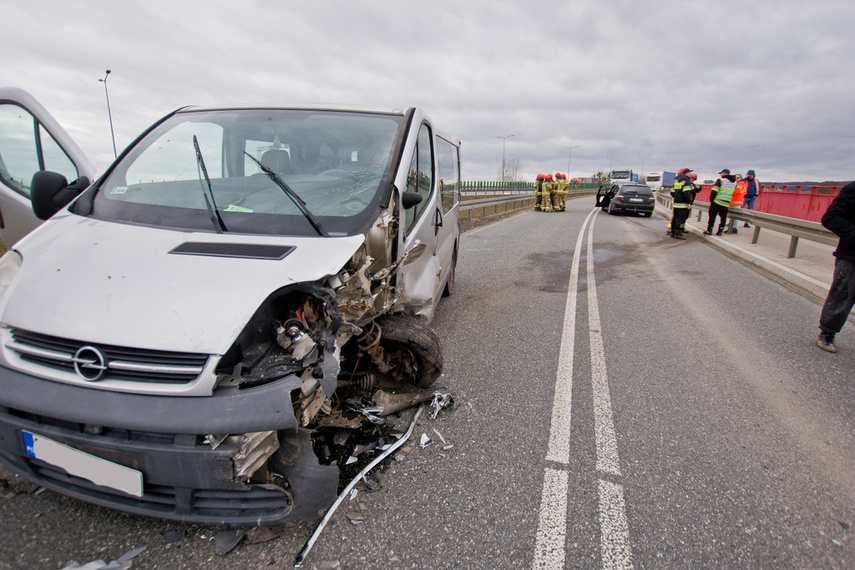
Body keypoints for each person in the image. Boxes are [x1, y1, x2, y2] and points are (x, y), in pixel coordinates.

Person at [817, 180, 855, 352]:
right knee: (842, 295)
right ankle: (827, 332)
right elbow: (830, 217)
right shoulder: (853, 190)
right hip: (852, 255)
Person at [705, 169, 737, 235]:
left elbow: (714, 191)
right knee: (723, 217)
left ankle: (709, 230)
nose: (721, 175)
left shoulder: (721, 180)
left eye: (721, 173)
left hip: (717, 201)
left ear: (725, 173)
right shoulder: (734, 182)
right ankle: (720, 231)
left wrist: (712, 200)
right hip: (726, 202)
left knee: (712, 216)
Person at [670, 168, 695, 240]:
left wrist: (677, 197)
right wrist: (689, 202)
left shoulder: (677, 181)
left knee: (675, 218)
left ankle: (673, 232)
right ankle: (677, 233)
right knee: (679, 218)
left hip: (676, 203)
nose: (690, 174)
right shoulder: (686, 182)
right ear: (686, 173)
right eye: (689, 172)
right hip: (682, 203)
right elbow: (686, 193)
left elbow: (672, 192)